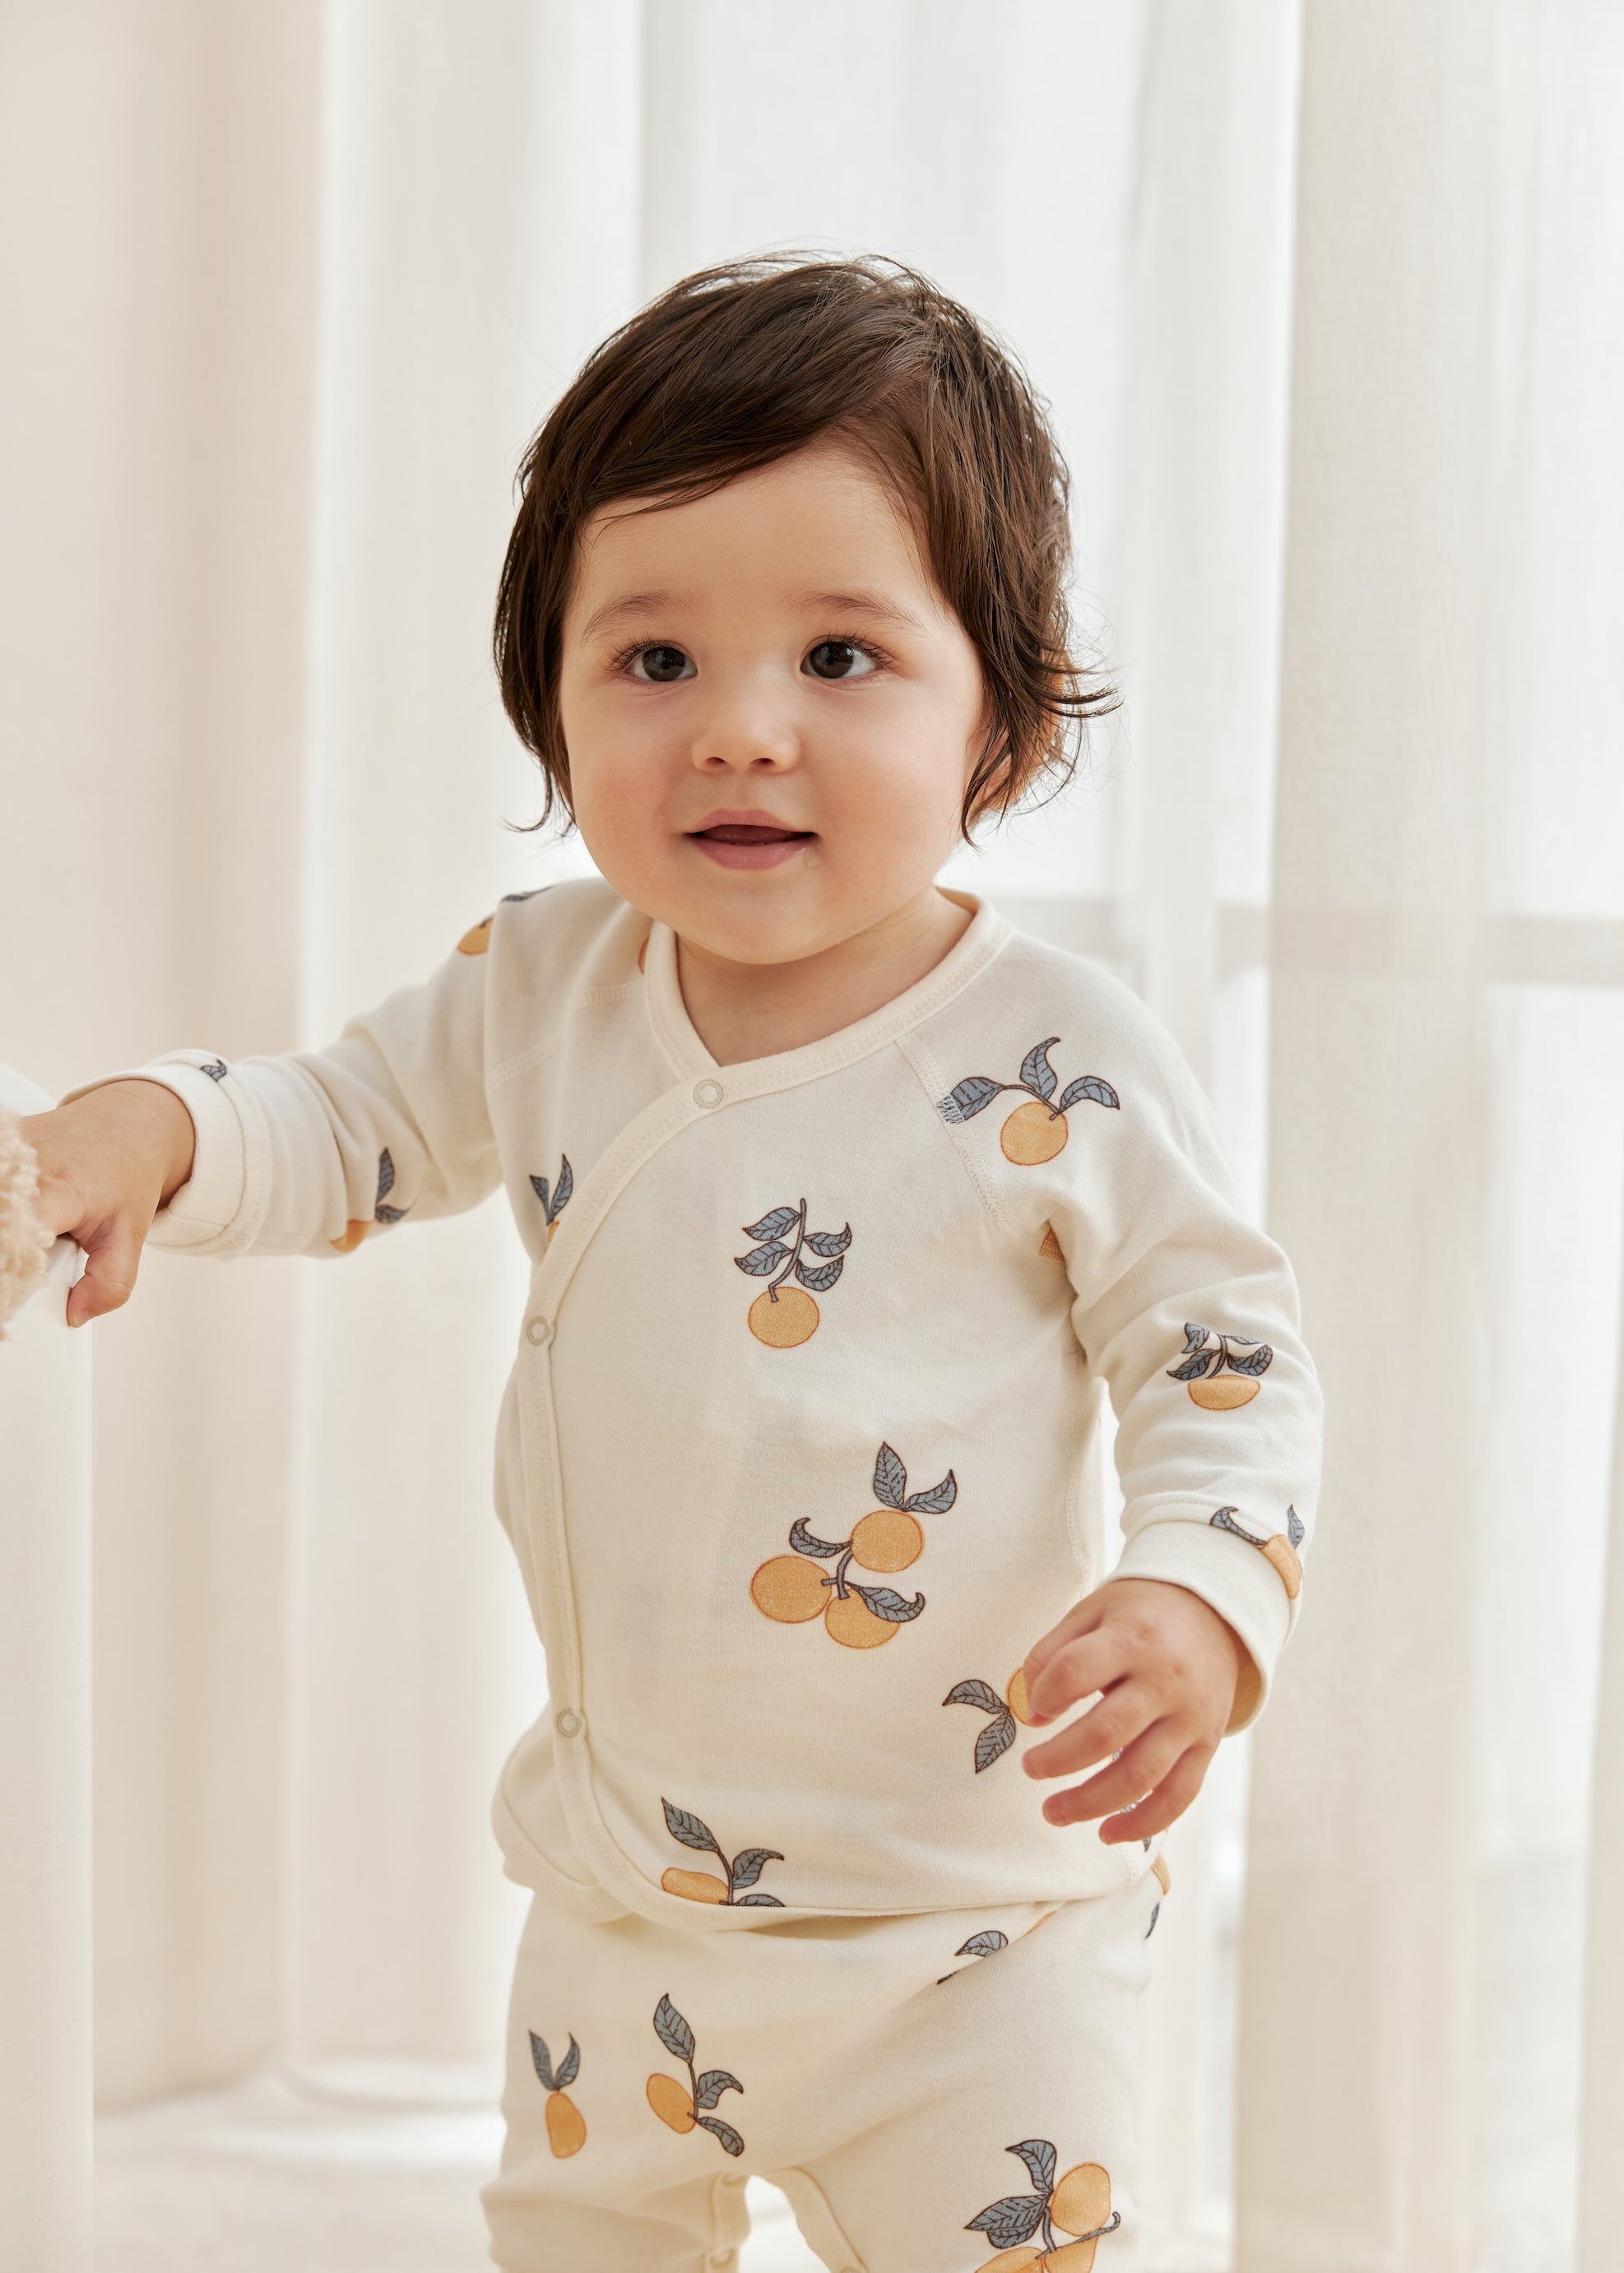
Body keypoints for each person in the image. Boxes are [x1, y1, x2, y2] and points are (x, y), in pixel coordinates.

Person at [22, 256, 1320, 2273]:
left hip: (974, 1928)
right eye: (651, 663)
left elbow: (1221, 1351)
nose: (738, 731)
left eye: (838, 656)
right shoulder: (547, 985)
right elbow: (344, 1122)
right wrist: (154, 1130)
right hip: (630, 1905)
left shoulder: (1055, 1054)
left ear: (1004, 705)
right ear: (549, 688)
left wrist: (1200, 1587)